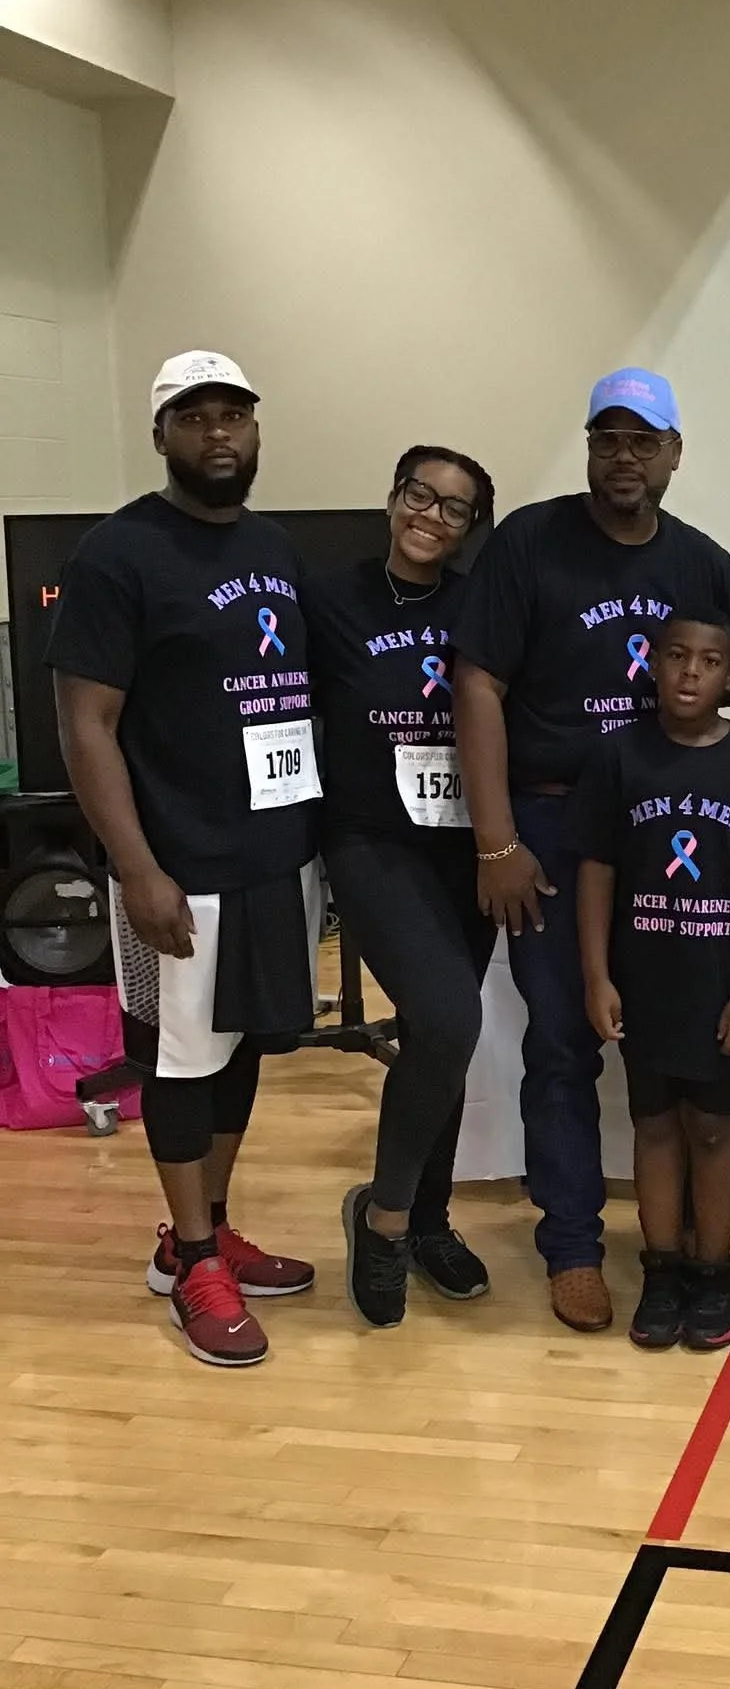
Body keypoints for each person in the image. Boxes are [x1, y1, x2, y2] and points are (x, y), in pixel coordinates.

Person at [453, 368, 730, 1332]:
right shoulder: (530, 545)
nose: (625, 457)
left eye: (645, 441)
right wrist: (495, 838)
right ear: (589, 446)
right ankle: (574, 1248)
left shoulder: (697, 562)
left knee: (682, 1048)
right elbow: (476, 685)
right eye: (608, 438)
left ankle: (690, 1255)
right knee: (563, 1038)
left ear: (675, 454)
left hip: (675, 839)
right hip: (553, 830)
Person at [48, 351, 323, 1368]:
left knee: (241, 1050)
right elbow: (87, 726)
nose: (219, 435)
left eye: (234, 417)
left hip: (273, 854)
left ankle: (202, 1224)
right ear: (163, 433)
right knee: (179, 1058)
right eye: (196, 418)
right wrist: (137, 867)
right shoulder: (118, 556)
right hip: (177, 866)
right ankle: (194, 1262)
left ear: (256, 431)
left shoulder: (275, 548)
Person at [305, 445, 498, 1329]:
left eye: (455, 508)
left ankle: (428, 1219)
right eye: (421, 495)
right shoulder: (331, 599)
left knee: (439, 1034)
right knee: (453, 1016)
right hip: (372, 844)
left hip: (465, 849)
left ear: (470, 528)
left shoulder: (481, 607)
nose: (433, 515)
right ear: (392, 501)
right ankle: (382, 1219)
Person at [573, 612, 730, 1351]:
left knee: (716, 1130)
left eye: (709, 660)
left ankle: (709, 1268)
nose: (691, 672)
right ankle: (661, 1268)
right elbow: (596, 871)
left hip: (719, 989)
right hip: (645, 985)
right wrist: (597, 975)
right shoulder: (618, 757)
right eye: (676, 657)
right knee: (655, 1126)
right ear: (652, 665)